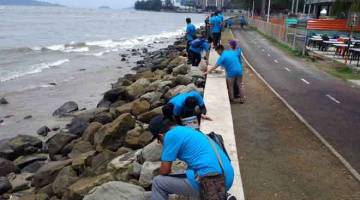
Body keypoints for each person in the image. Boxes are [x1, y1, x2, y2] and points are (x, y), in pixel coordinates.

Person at [149, 115, 234, 200]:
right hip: (227, 175)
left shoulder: (170, 135)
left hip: (213, 180)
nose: (159, 142)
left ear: (161, 135)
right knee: (190, 174)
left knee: (158, 182)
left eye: (158, 140)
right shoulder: (187, 130)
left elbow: (165, 171)